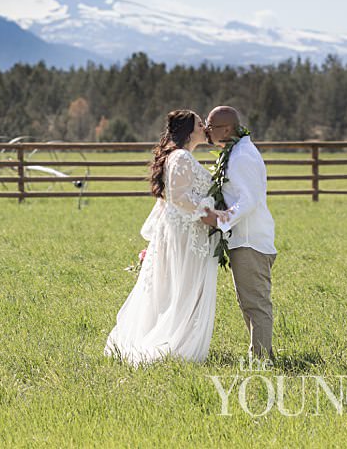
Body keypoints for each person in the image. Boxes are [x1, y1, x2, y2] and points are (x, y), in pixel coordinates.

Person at [104, 110, 226, 364]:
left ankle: (178, 339)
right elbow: (179, 197)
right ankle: (174, 344)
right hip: (186, 234)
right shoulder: (181, 156)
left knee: (178, 287)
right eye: (200, 123)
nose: (205, 127)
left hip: (183, 231)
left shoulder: (181, 156)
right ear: (189, 131)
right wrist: (211, 213)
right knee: (183, 287)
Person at [206, 105, 277, 363]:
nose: (206, 131)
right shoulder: (236, 151)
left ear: (227, 129)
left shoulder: (243, 156)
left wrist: (218, 219)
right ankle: (261, 354)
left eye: (210, 127)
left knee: (255, 303)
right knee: (248, 302)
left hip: (250, 240)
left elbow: (249, 200)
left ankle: (260, 359)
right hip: (243, 239)